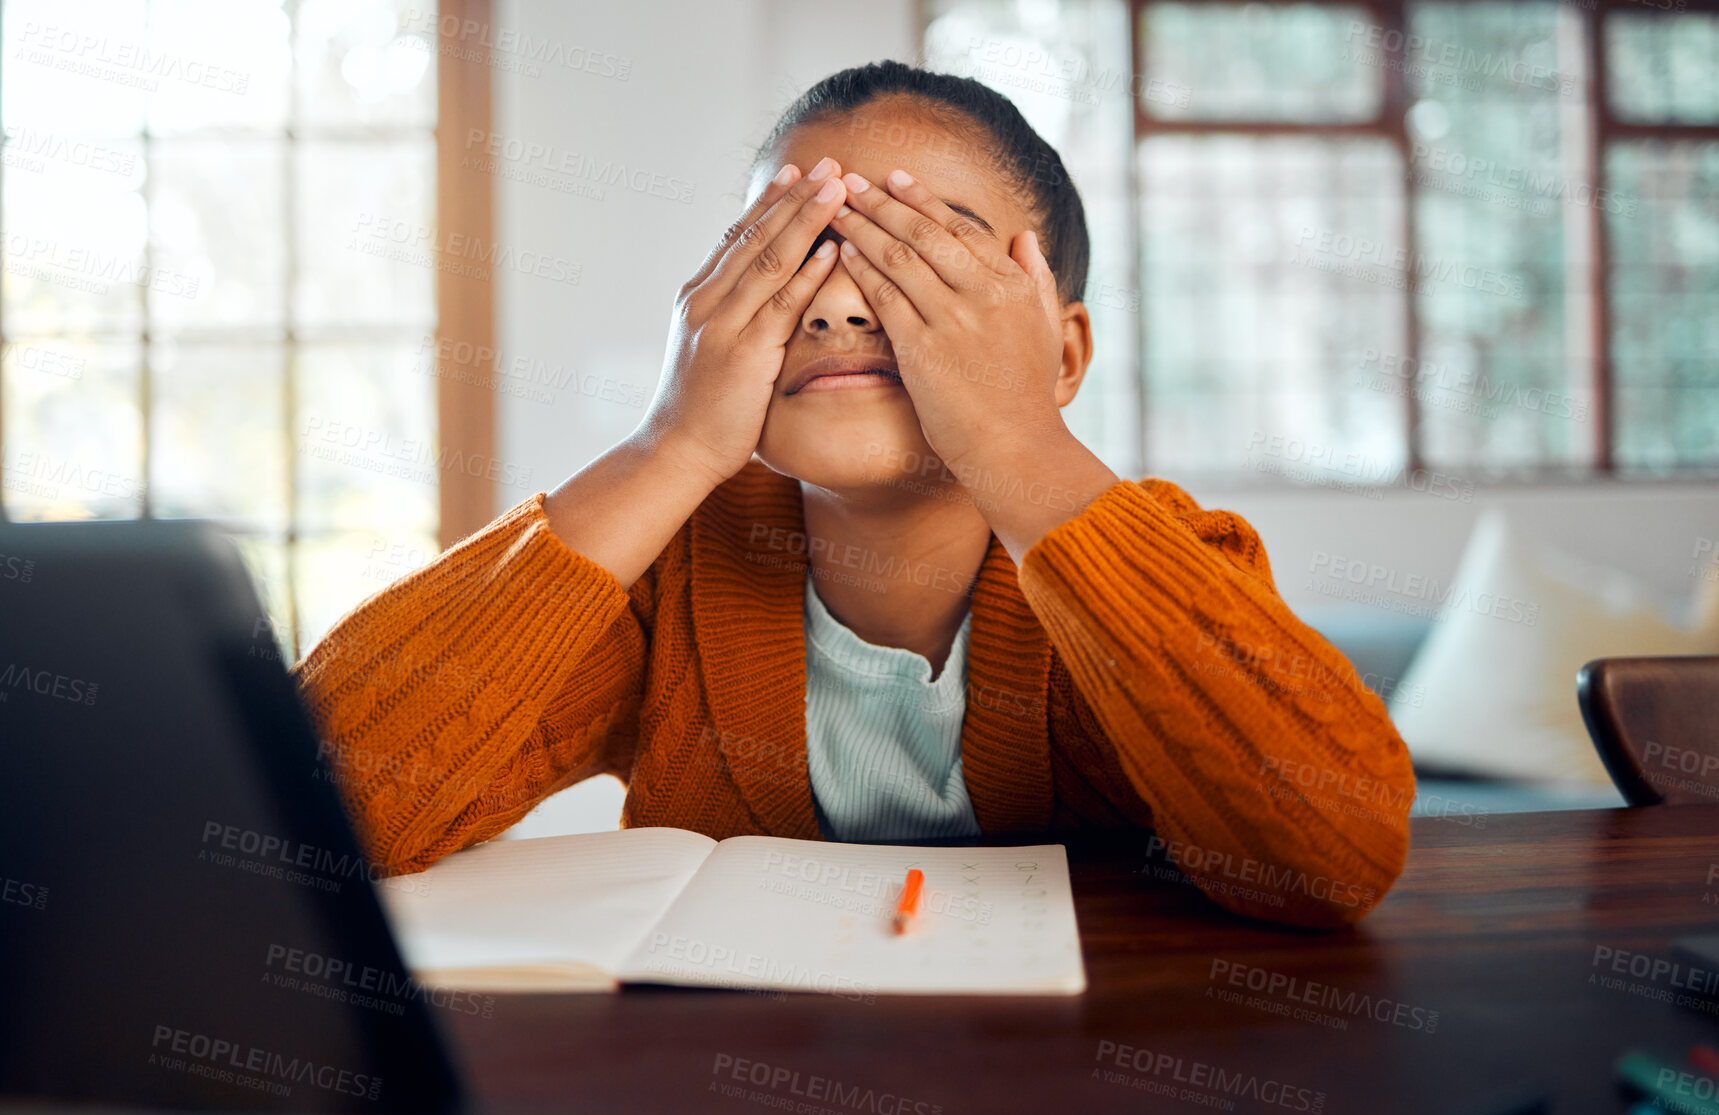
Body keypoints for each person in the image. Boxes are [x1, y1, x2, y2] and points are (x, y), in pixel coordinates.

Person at [294, 61, 1415, 929]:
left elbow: (1331, 858)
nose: (837, 307)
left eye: (918, 252)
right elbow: (316, 811)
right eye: (787, 254)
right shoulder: (661, 580)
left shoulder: (1157, 557)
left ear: (1063, 351)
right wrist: (671, 444)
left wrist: (1019, 441)